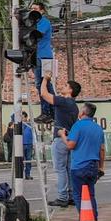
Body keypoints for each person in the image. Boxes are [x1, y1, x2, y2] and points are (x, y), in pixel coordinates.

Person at [59, 102, 106, 221]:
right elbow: (102, 149)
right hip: (93, 165)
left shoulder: (78, 126)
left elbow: (70, 145)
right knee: (90, 195)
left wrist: (63, 136)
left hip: (79, 166)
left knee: (79, 196)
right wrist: (101, 167)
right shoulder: (98, 128)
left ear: (83, 112)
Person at [40, 71, 81, 207]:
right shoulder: (74, 106)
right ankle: (71, 195)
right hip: (69, 139)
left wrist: (45, 80)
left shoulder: (64, 101)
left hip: (60, 139)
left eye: (65, 85)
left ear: (70, 90)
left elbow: (44, 95)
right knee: (68, 169)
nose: (62, 87)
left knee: (60, 169)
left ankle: (62, 197)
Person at [31, 3, 55, 124]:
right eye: (32, 9)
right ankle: (49, 111)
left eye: (35, 9)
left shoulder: (44, 22)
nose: (33, 11)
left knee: (44, 84)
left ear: (42, 11)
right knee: (40, 85)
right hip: (36, 56)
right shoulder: (32, 23)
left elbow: (37, 34)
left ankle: (48, 111)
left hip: (45, 56)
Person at [20, 111, 35, 180]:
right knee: (20, 160)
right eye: (21, 118)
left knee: (28, 160)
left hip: (29, 145)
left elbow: (34, 135)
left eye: (23, 117)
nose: (22, 119)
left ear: (26, 118)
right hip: (21, 145)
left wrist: (34, 144)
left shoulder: (30, 126)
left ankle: (27, 174)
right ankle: (20, 175)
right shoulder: (19, 126)